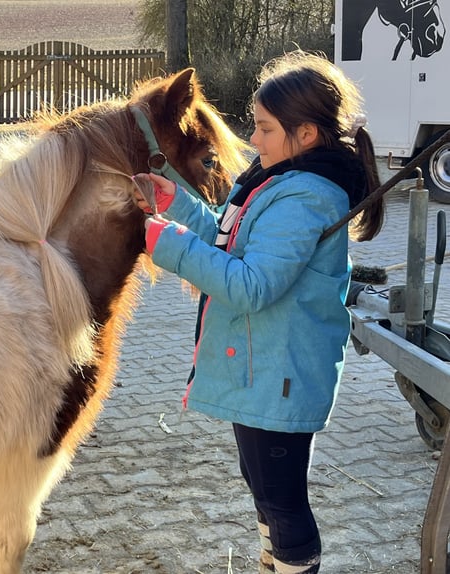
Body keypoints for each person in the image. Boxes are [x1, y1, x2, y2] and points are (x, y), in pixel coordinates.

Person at [134, 50, 385, 574]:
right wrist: (176, 205)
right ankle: (274, 563)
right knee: (267, 494)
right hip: (264, 368)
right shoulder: (276, 178)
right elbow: (230, 245)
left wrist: (168, 243)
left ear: (307, 135)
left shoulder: (305, 196)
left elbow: (250, 285)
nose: (253, 138)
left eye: (265, 128)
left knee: (283, 501)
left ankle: (291, 565)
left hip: (281, 370)